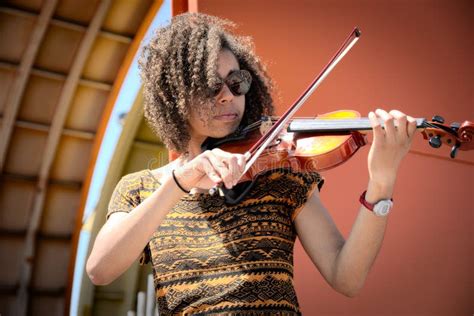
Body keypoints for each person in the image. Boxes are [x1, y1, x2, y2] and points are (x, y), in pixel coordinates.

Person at [86, 13, 417, 315]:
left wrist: (382, 183)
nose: (228, 96)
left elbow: (347, 278)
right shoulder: (140, 189)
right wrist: (180, 181)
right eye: (210, 87)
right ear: (175, 98)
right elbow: (100, 269)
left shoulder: (283, 175)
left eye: (236, 82)